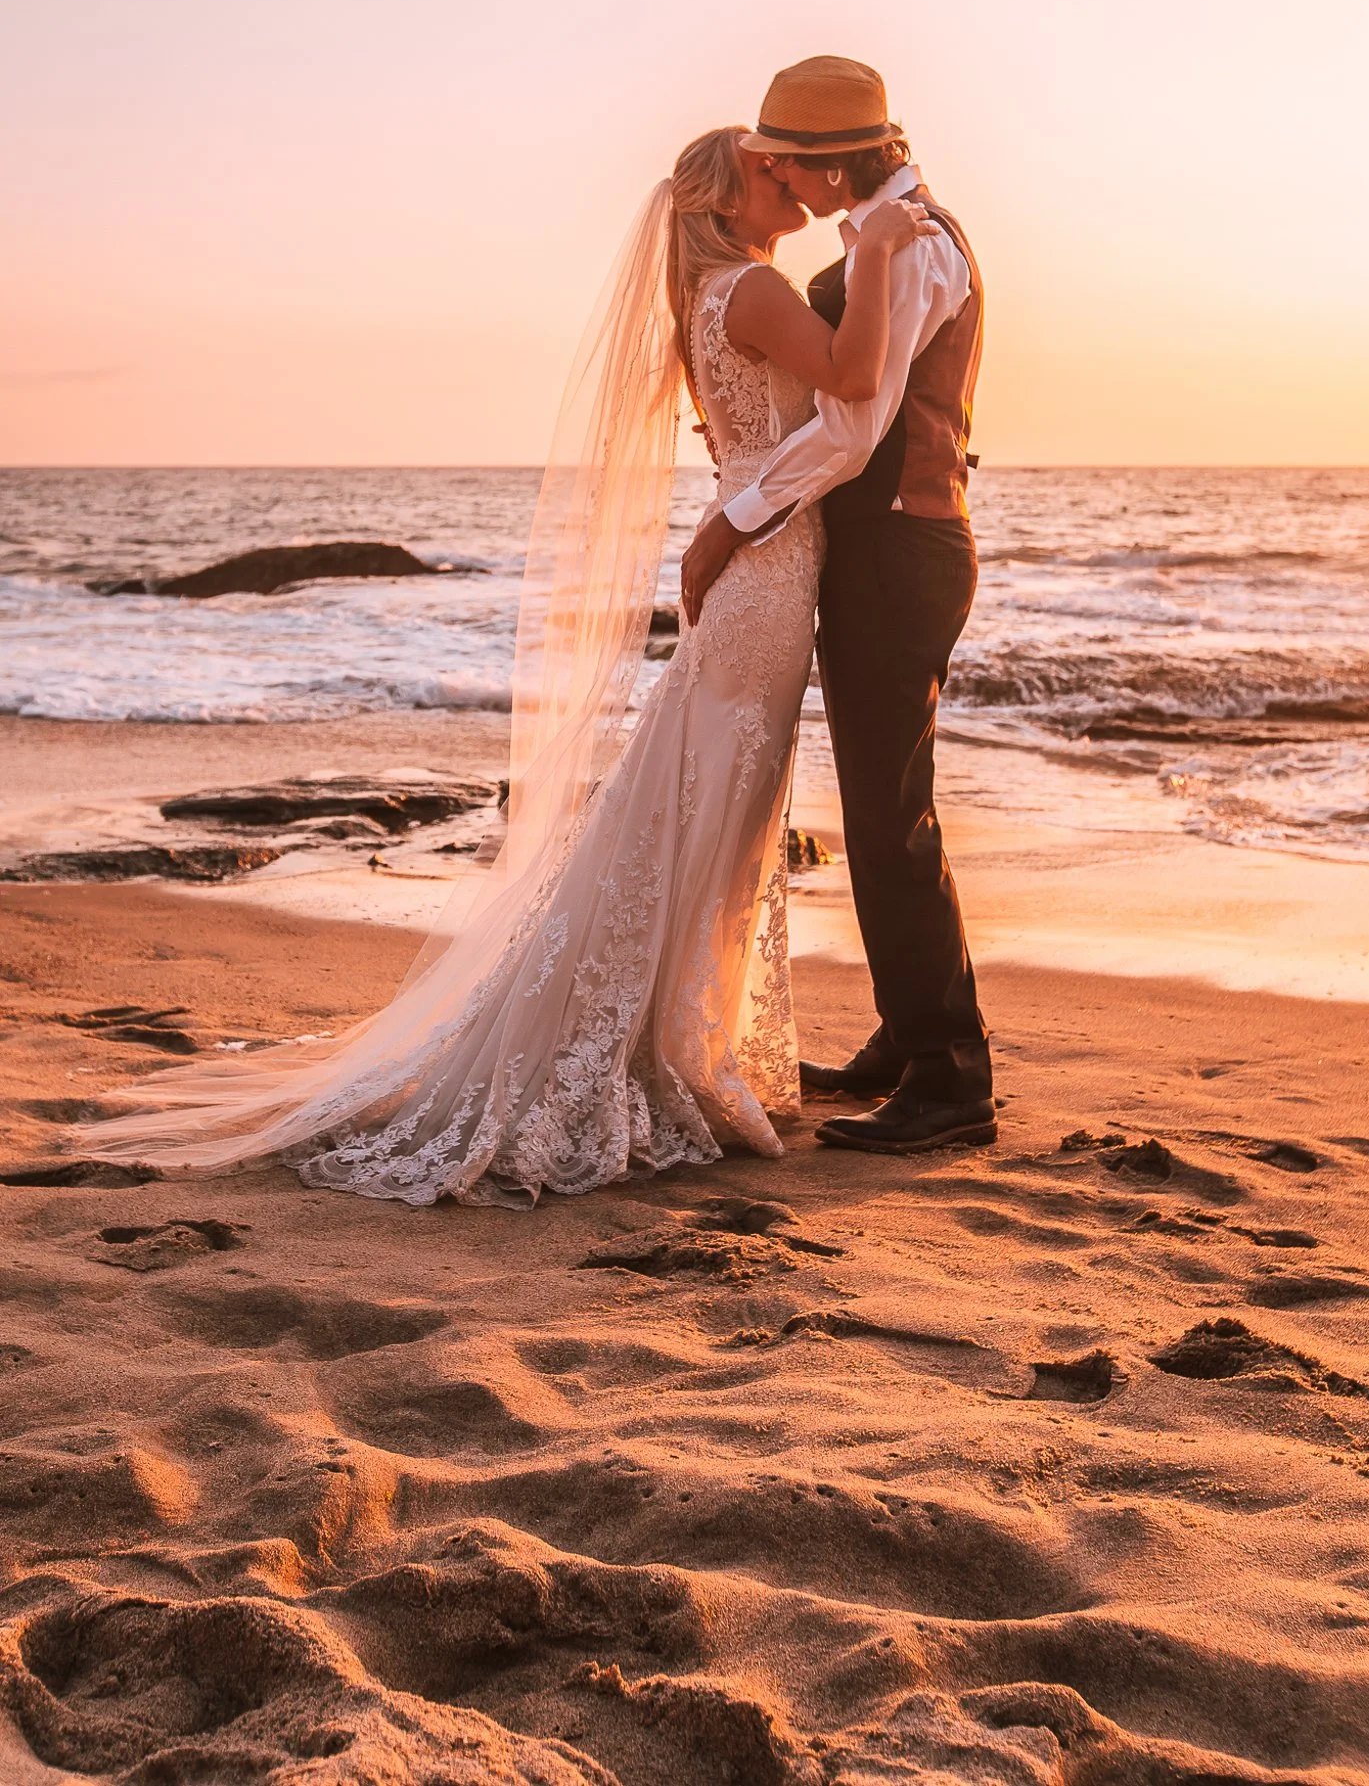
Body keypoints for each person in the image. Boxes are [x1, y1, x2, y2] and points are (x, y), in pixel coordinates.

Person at [77, 127, 933, 1206]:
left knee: (708, 798)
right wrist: (885, 246)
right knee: (718, 801)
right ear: (725, 196)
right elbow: (858, 373)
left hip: (762, 557)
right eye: (769, 166)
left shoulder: (709, 295)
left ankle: (676, 1032)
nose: (788, 177)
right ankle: (664, 1044)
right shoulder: (754, 288)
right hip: (768, 570)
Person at [680, 56, 992, 1155]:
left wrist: (735, 516)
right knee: (877, 803)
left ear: (833, 161)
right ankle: (910, 1043)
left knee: (888, 809)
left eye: (791, 168)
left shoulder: (908, 243)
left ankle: (950, 1075)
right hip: (886, 543)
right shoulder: (881, 239)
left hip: (901, 546)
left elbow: (860, 426)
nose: (786, 189)